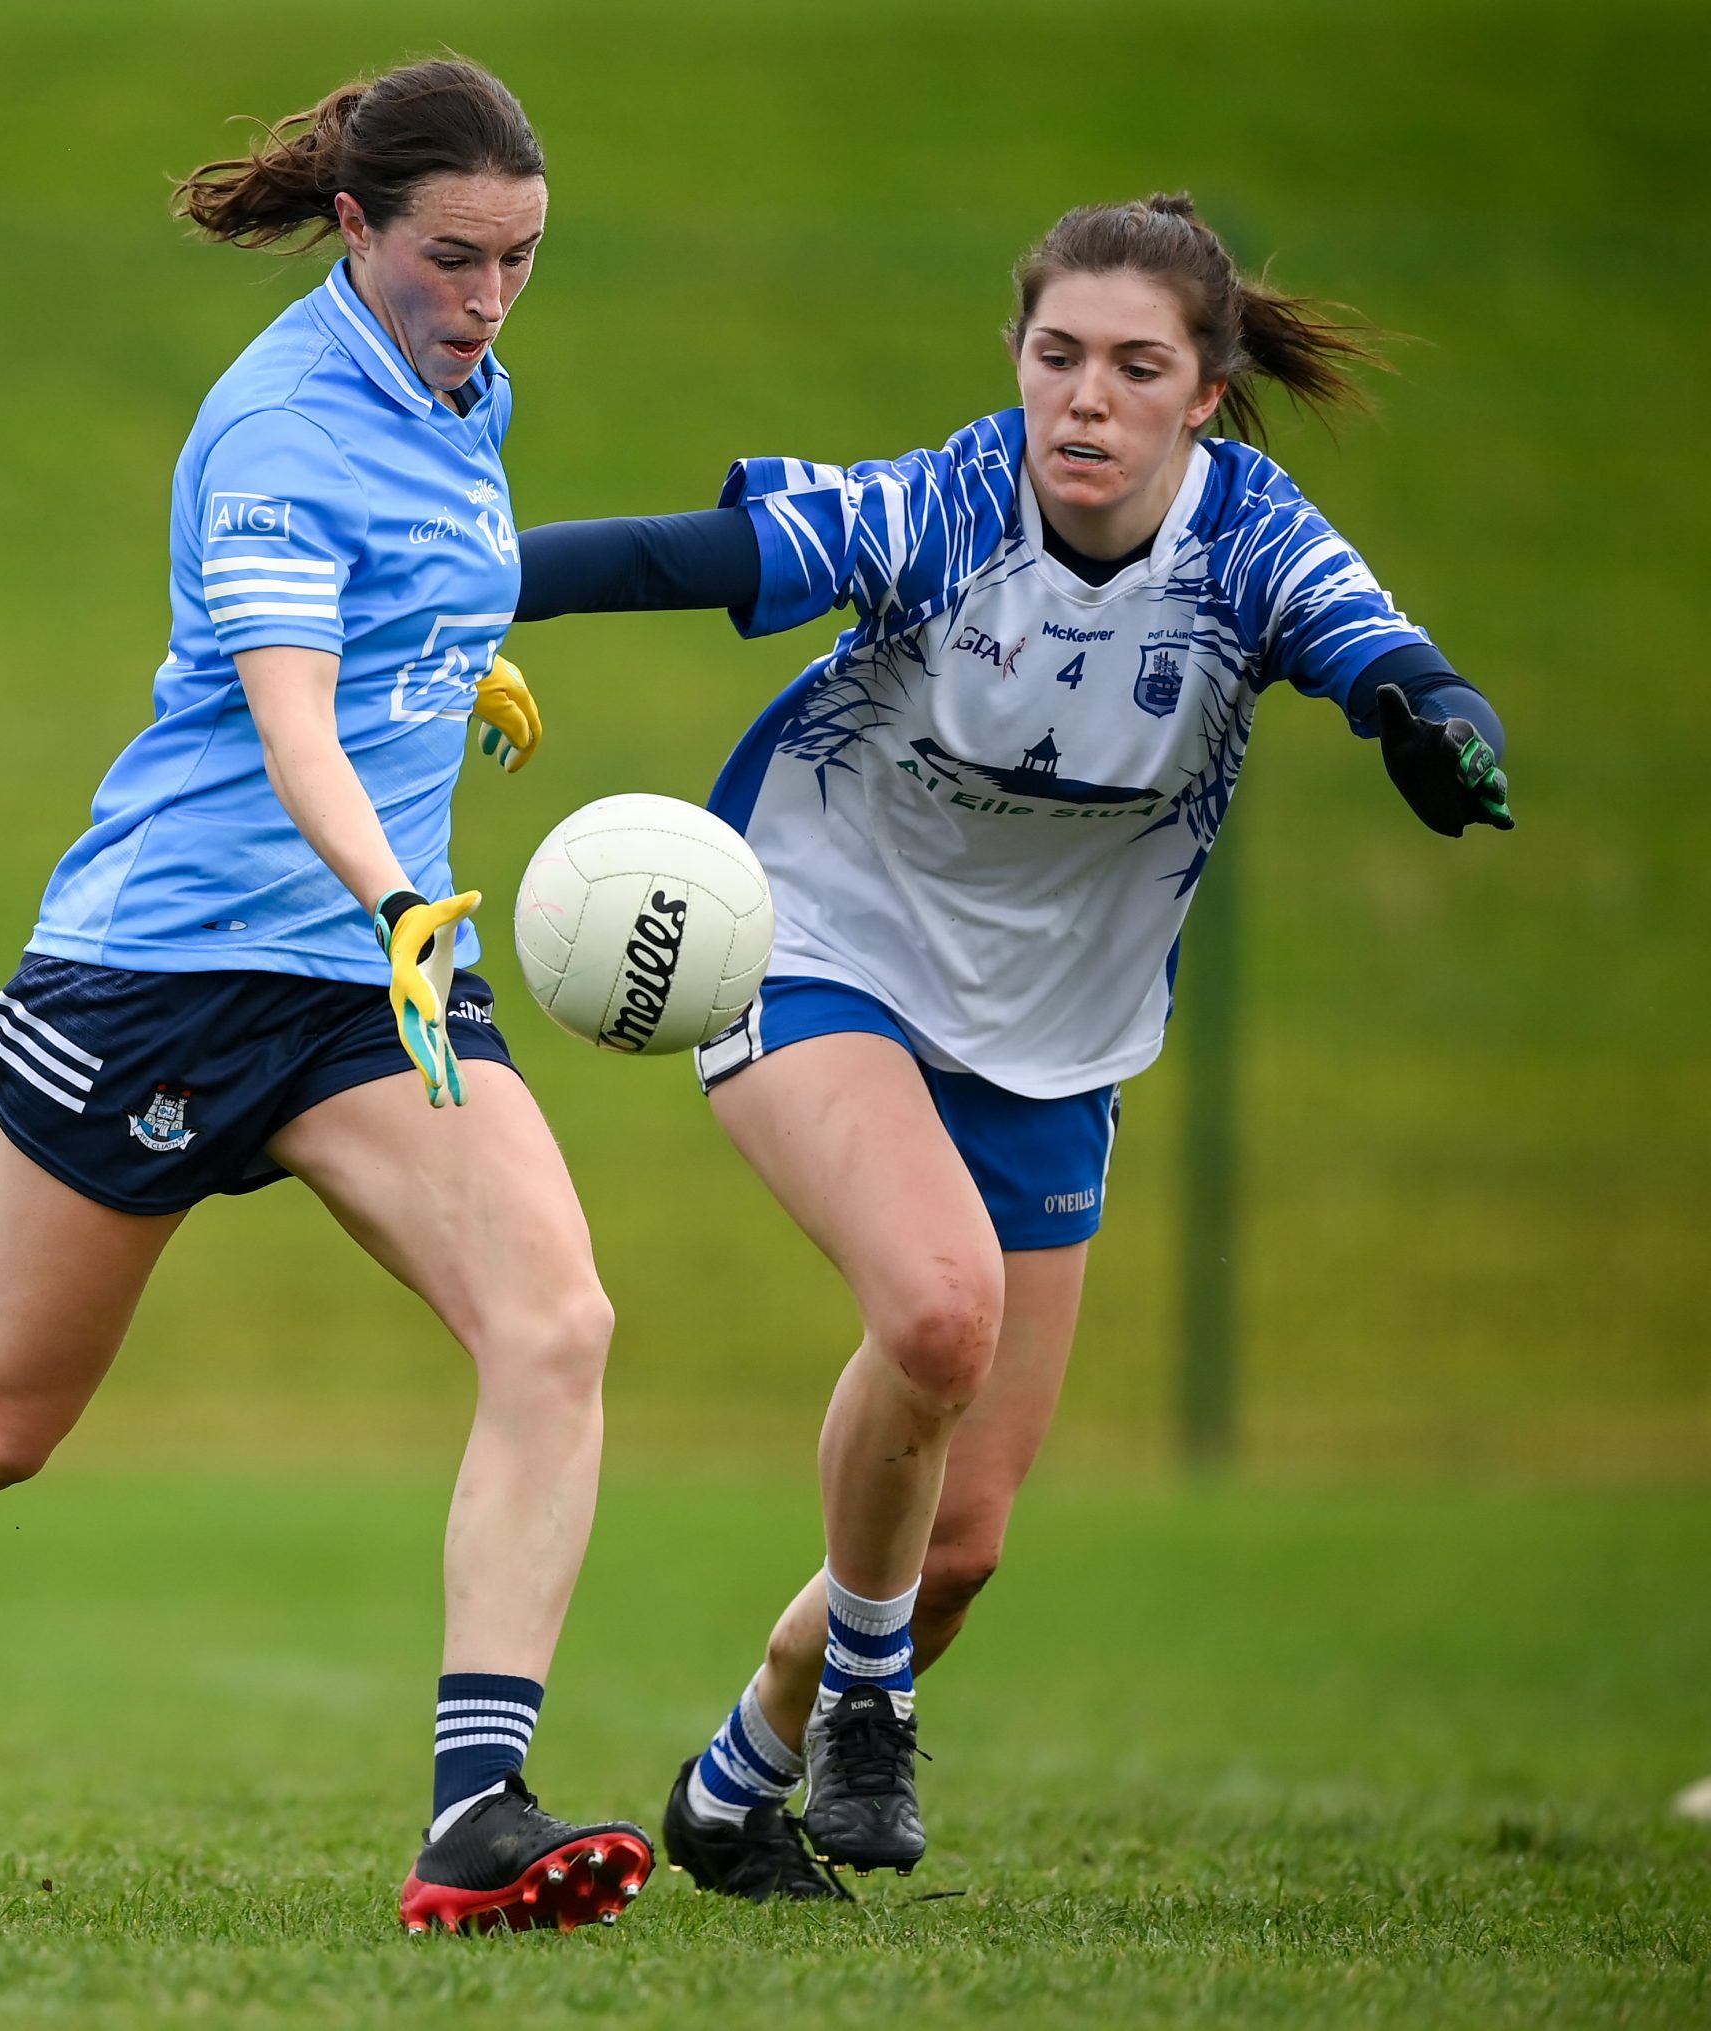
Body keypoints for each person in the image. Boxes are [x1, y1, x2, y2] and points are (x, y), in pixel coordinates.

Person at [0, 60, 653, 1935]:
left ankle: (477, 1810)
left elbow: (386, 614)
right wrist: (396, 882)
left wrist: (456, 665)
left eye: (524, 259)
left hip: (365, 983)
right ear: (358, 228)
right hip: (173, 961)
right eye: (456, 257)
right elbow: (284, 709)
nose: (492, 297)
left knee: (557, 1327)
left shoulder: (463, 387)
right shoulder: (286, 419)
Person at [511, 193, 1514, 1899]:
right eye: (1059, 358)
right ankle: (875, 1708)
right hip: (817, 952)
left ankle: (742, 1777)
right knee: (938, 1304)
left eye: (1136, 368)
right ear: (1018, 362)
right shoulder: (953, 504)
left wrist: (1436, 721)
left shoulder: (1251, 542)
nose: (1088, 400)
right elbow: (695, 557)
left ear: (1205, 391)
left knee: (956, 1544)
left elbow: (1384, 656)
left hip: (1059, 1044)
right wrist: (459, 587)